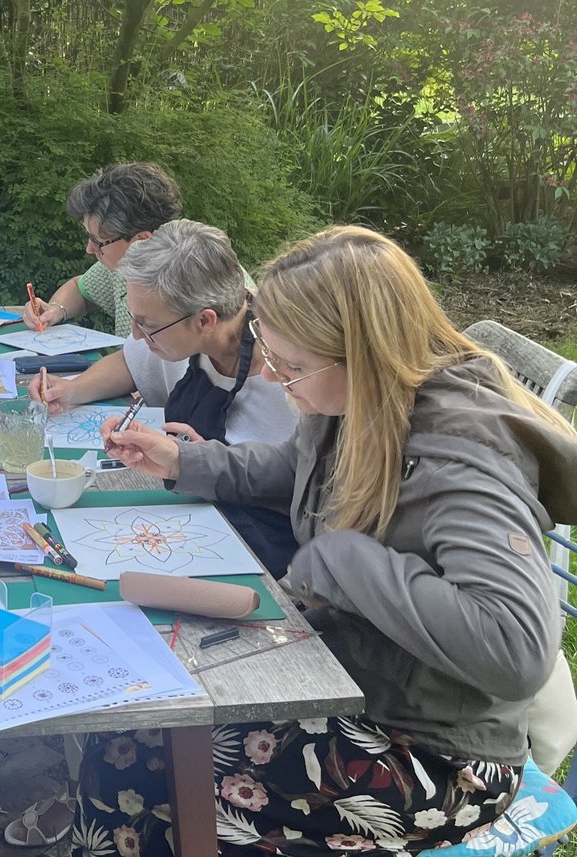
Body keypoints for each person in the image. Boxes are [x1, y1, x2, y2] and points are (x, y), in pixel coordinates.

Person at [81, 225, 577, 856]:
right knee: (132, 734)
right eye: (271, 355)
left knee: (154, 772)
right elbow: (294, 467)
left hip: (437, 752)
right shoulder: (354, 403)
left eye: (290, 368)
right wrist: (182, 461)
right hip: (352, 678)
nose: (274, 377)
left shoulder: (464, 460)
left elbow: (516, 649)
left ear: (361, 353)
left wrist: (342, 559)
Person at [8, 219, 298, 849]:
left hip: (268, 568)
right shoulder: (186, 338)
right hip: (200, 526)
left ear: (206, 318)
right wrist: (71, 390)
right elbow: (130, 361)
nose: (136, 336)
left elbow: (314, 491)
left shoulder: (290, 376)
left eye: (148, 325)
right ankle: (100, 785)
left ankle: (120, 793)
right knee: (92, 623)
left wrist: (208, 462)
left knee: (129, 666)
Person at [21, 162, 183, 338]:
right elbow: (79, 289)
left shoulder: (183, 294)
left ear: (142, 241)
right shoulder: (127, 267)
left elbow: (137, 355)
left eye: (98, 242)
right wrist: (55, 310)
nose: (89, 249)